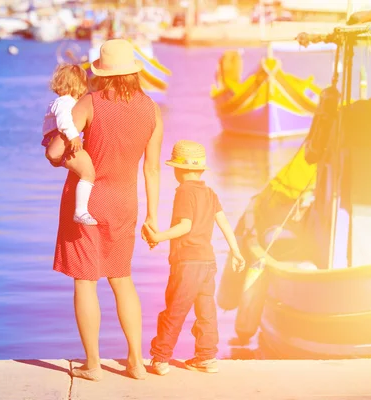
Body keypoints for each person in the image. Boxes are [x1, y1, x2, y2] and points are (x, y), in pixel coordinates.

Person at [53, 39, 163, 381]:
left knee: (86, 282)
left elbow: (57, 151)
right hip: (125, 202)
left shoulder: (90, 102)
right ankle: (136, 362)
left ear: (102, 73)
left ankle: (94, 364)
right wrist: (152, 217)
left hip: (86, 202)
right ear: (133, 72)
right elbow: (153, 169)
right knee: (122, 279)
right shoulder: (152, 110)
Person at [142, 140, 245, 376]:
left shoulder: (183, 192)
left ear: (178, 170)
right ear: (200, 170)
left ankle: (160, 359)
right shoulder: (210, 193)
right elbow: (224, 223)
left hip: (187, 263)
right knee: (206, 311)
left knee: (175, 310)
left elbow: (184, 226)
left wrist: (159, 236)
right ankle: (206, 357)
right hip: (208, 263)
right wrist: (236, 251)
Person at [42, 64, 97, 225]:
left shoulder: (58, 102)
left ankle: (80, 209)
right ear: (78, 85)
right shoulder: (66, 102)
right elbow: (64, 122)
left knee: (84, 172)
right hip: (63, 143)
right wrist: (74, 137)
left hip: (55, 143)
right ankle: (81, 211)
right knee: (88, 173)